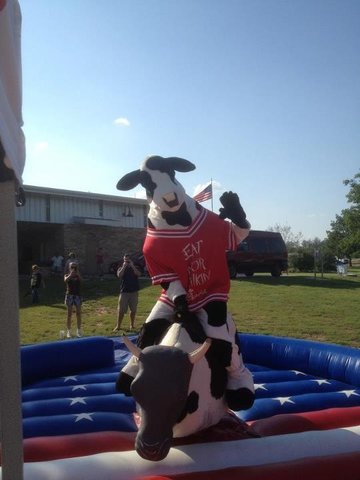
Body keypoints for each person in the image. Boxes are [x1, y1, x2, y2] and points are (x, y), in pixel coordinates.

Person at [113, 254, 141, 332]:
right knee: (121, 310)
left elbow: (139, 274)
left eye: (128, 260)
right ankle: (118, 326)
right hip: (124, 292)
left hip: (134, 292)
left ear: (131, 260)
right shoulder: (121, 268)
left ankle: (131, 325)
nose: (126, 261)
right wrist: (124, 266)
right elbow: (119, 275)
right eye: (125, 260)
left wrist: (132, 266)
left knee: (133, 310)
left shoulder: (135, 267)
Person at [64, 262, 82, 338]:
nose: (73, 269)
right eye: (72, 267)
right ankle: (69, 331)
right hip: (70, 295)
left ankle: (79, 330)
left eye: (75, 267)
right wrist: (70, 275)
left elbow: (81, 281)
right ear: (69, 268)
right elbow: (65, 280)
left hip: (77, 295)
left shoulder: (78, 275)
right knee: (69, 314)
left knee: (78, 313)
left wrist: (78, 274)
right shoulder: (67, 275)